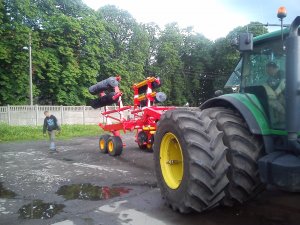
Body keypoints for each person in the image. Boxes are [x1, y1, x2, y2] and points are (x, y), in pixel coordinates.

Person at [264, 61, 285, 128]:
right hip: (276, 98)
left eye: (268, 70)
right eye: (267, 70)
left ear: (273, 68)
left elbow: (283, 83)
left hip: (286, 96)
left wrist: (276, 92)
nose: (267, 72)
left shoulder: (282, 73)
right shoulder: (269, 79)